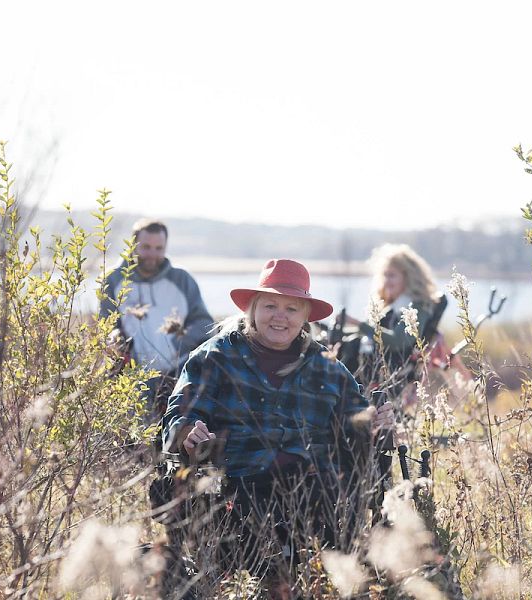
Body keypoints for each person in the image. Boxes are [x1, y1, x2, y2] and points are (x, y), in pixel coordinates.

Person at [162, 258, 394, 595]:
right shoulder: (214, 357)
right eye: (270, 305)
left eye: (291, 308)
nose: (280, 316)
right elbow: (178, 415)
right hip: (236, 492)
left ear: (304, 317)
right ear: (253, 310)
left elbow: (361, 423)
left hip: (312, 500)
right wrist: (187, 431)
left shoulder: (326, 366)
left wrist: (378, 423)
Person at [99, 219, 213, 406]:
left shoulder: (182, 279)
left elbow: (205, 324)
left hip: (176, 378)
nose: (152, 254)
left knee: (174, 433)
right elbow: (106, 325)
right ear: (133, 245)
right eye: (146, 247)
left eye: (159, 248)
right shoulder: (113, 279)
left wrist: (179, 344)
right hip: (130, 379)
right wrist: (115, 339)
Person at [344, 243, 469, 391]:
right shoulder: (393, 305)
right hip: (372, 365)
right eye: (384, 275)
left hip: (387, 372)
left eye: (392, 275)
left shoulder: (417, 306)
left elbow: (399, 341)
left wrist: (358, 324)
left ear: (408, 276)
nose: (386, 281)